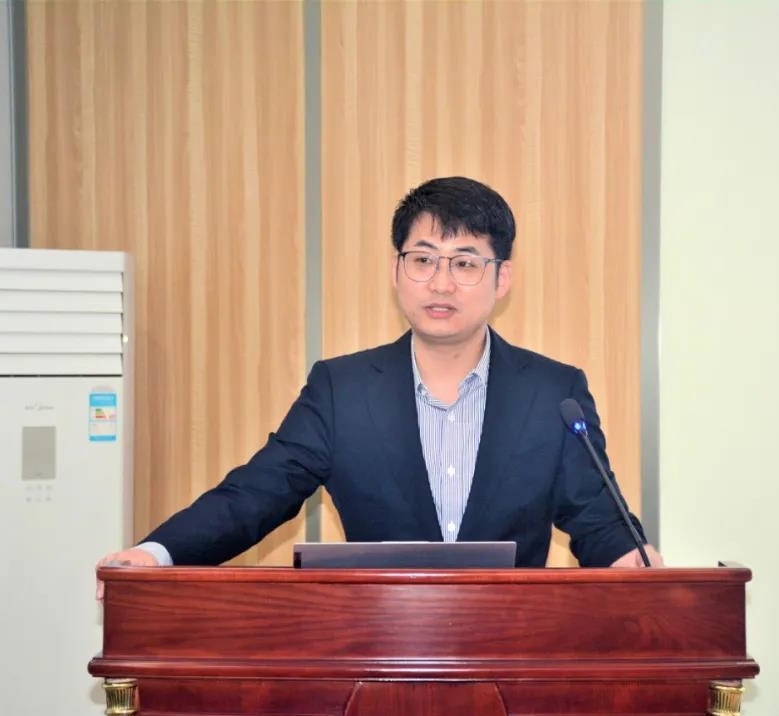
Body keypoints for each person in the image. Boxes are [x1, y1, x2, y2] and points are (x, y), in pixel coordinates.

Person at [97, 176, 661, 595]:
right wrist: (157, 553)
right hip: (375, 652)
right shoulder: (342, 390)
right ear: (396, 271)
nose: (441, 282)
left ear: (501, 278)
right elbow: (254, 495)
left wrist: (633, 562)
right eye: (423, 259)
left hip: (509, 652)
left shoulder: (553, 393)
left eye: (465, 263)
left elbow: (598, 517)